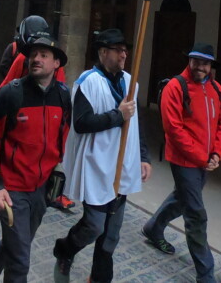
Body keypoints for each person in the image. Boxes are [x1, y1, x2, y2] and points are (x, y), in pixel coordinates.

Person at [53, 29, 151, 283]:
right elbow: (82, 123)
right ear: (103, 52)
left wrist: (143, 156)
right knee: (95, 225)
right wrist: (117, 116)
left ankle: (99, 278)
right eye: (118, 49)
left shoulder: (131, 82)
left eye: (125, 49)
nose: (124, 54)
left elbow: (137, 124)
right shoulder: (88, 82)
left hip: (122, 165)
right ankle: (65, 249)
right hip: (98, 165)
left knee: (112, 232)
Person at [0, 36, 71, 283]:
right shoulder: (11, 93)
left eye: (44, 55)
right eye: (33, 55)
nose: (36, 59)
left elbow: (62, 135)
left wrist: (56, 170)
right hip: (12, 190)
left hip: (40, 189)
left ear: (56, 63)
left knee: (18, 243)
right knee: (20, 260)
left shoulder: (63, 96)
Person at [141, 43, 221, 283]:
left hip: (205, 161)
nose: (200, 67)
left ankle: (153, 228)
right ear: (189, 61)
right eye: (196, 61)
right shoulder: (175, 87)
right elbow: (174, 130)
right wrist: (202, 157)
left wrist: (217, 154)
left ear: (211, 66)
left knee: (182, 198)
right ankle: (206, 273)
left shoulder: (216, 89)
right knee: (196, 213)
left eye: (205, 63)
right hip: (183, 160)